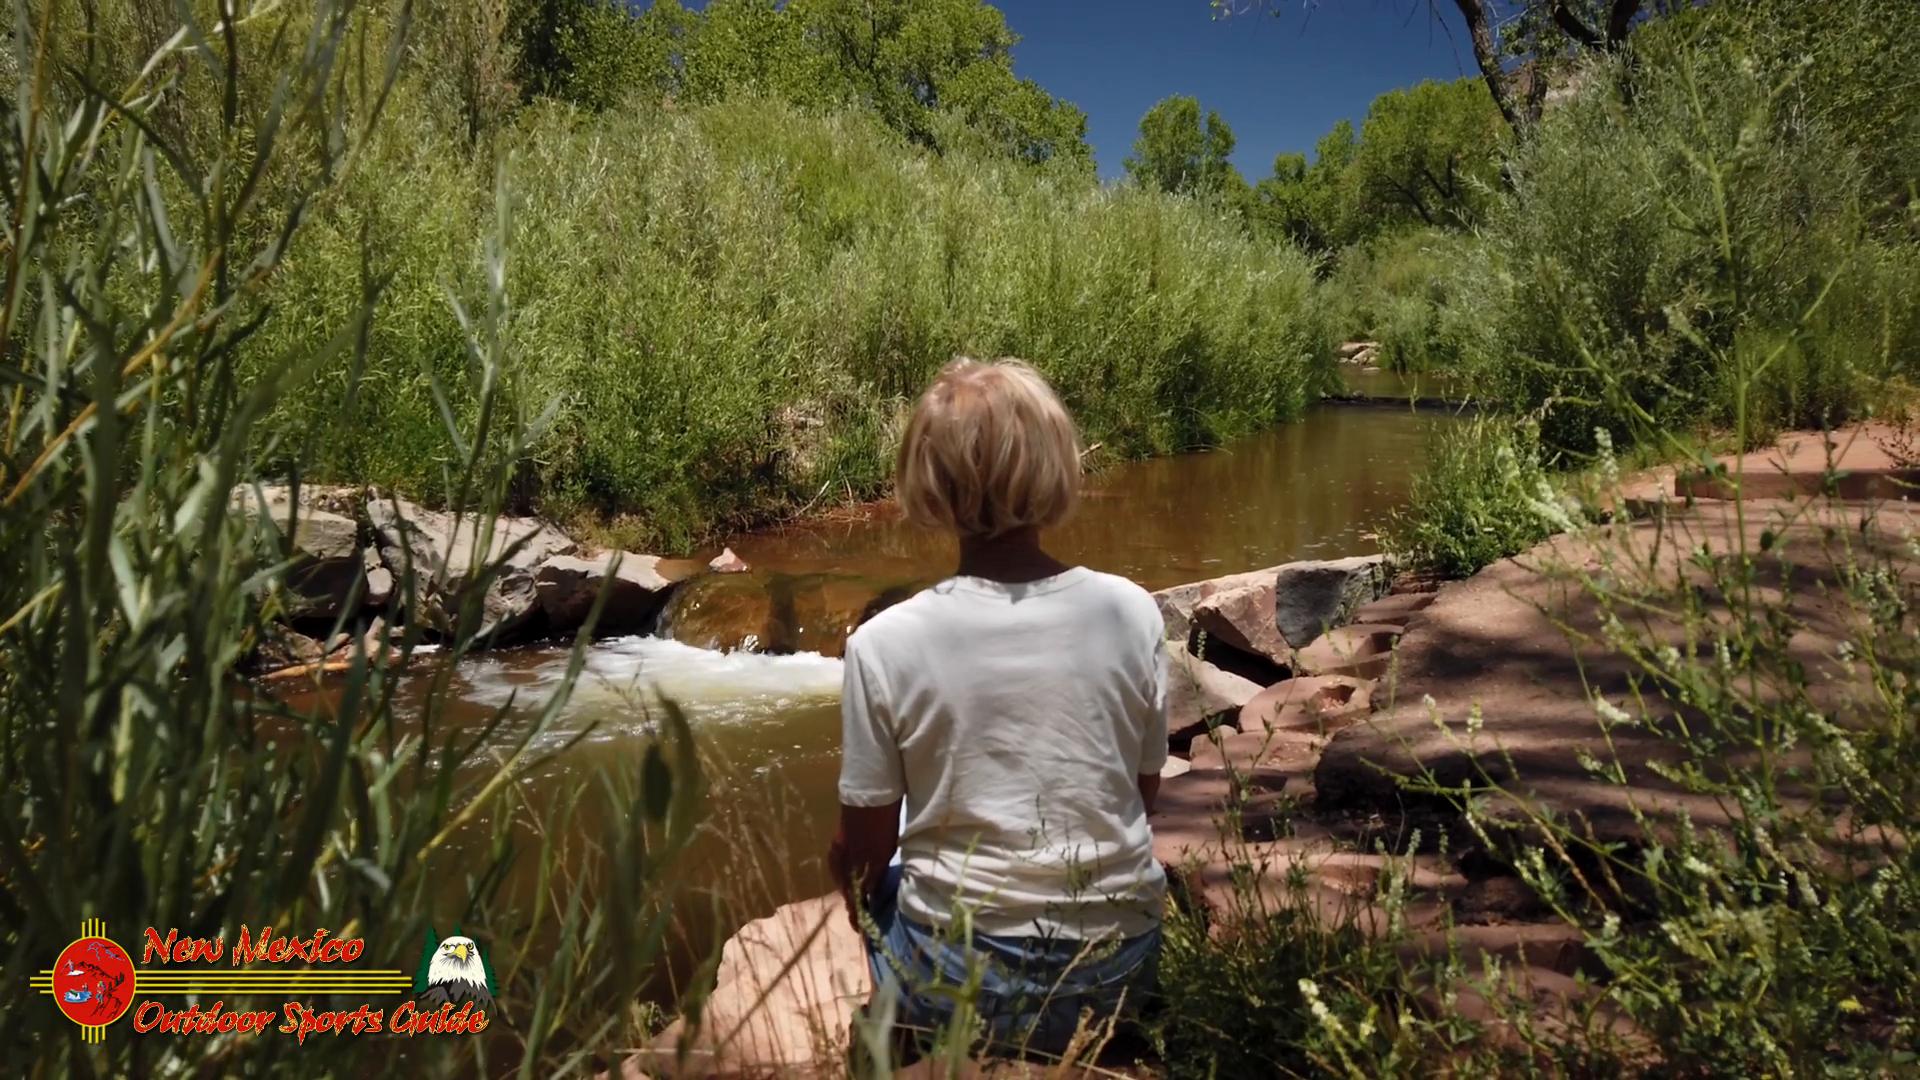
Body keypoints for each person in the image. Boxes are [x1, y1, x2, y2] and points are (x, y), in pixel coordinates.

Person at [827, 357, 1169, 1065]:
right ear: (1057, 468)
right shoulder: (1129, 610)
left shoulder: (884, 643)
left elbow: (866, 856)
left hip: (962, 983)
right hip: (1118, 971)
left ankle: (910, 1037)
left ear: (928, 486)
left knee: (877, 887)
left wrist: (843, 876)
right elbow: (1142, 796)